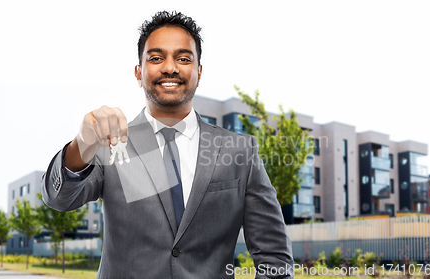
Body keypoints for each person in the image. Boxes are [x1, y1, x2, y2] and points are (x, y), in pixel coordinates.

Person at [42, 10, 294, 279]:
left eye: (183, 58)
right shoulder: (109, 143)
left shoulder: (239, 151)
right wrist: (82, 143)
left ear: (198, 72)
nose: (170, 67)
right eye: (156, 58)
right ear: (139, 72)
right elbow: (59, 199)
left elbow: (274, 257)